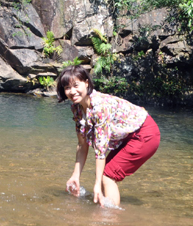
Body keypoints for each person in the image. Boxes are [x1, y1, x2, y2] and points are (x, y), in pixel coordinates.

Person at [56, 65, 160, 207]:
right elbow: (82, 144)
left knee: (108, 176)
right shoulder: (76, 107)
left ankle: (111, 220)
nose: (72, 91)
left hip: (145, 133)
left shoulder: (99, 107)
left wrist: (97, 184)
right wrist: (75, 175)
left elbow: (100, 149)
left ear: (86, 83)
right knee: (106, 174)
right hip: (128, 135)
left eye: (76, 85)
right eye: (67, 87)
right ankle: (105, 213)